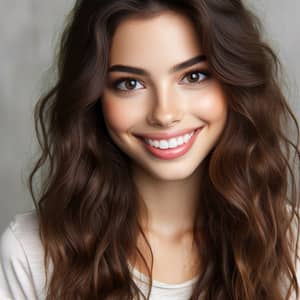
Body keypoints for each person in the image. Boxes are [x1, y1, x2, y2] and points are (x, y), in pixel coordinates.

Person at [0, 0, 299, 299]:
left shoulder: (292, 244)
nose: (164, 114)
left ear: (236, 81)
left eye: (193, 76)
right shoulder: (31, 253)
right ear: (93, 97)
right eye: (130, 83)